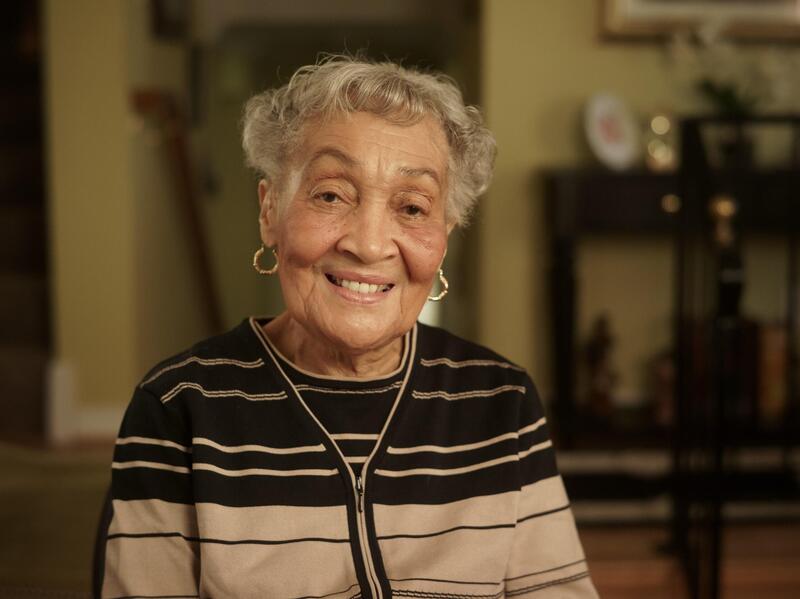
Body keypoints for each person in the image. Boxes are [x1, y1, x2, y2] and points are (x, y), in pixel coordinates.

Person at [101, 56, 598, 599]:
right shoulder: (178, 405)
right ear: (270, 211)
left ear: (444, 235)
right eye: (332, 195)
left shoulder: (501, 400)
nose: (367, 243)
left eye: (412, 207)